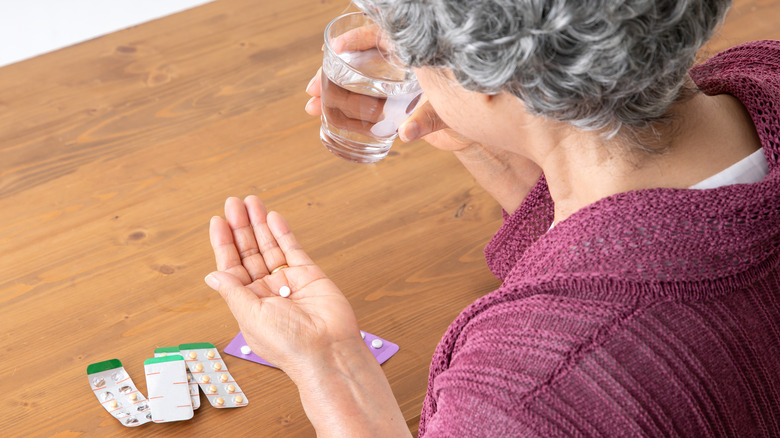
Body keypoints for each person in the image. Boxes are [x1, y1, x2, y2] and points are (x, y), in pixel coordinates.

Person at [205, 0, 780, 435]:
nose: (390, 52)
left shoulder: (535, 389)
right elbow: (633, 234)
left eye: (402, 40)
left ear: (490, 73)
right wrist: (487, 136)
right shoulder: (766, 72)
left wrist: (330, 369)